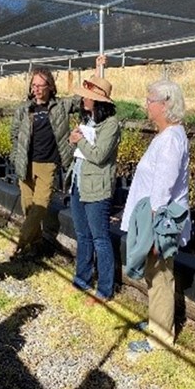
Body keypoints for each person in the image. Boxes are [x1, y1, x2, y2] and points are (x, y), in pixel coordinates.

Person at [120, 80, 190, 354]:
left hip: (159, 221)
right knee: (155, 274)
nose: (146, 105)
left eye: (150, 100)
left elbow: (163, 189)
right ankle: (156, 324)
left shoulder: (172, 140)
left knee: (160, 277)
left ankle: (159, 339)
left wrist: (150, 232)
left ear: (166, 104)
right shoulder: (167, 136)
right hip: (153, 218)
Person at [9, 67, 81, 259]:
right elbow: (14, 136)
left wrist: (100, 68)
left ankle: (19, 243)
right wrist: (15, 158)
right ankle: (36, 246)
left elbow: (85, 98)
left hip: (48, 164)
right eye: (34, 85)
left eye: (41, 85)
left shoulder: (61, 107)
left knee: (40, 206)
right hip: (26, 164)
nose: (37, 89)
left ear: (50, 87)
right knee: (28, 208)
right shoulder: (24, 110)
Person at [67, 68, 120, 306]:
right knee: (83, 235)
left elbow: (99, 156)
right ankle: (82, 279)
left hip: (97, 188)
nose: (83, 99)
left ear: (97, 101)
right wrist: (73, 142)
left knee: (100, 238)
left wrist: (81, 142)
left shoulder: (111, 125)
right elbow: (80, 152)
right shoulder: (87, 120)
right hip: (79, 183)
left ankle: (105, 289)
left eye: (87, 96)